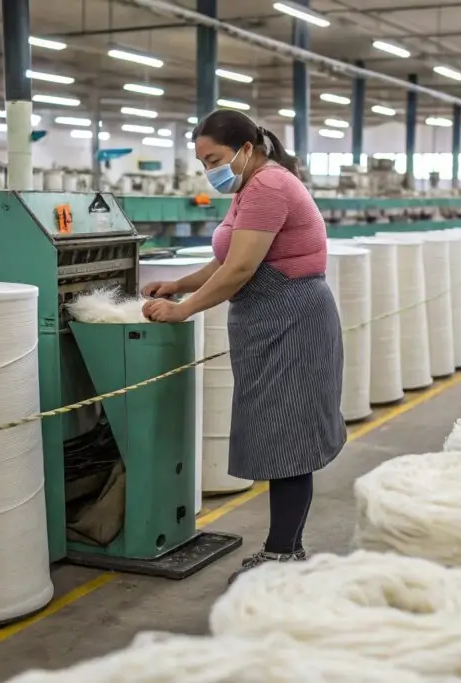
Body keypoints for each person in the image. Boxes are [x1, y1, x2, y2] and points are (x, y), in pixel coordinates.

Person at [140, 109, 347, 583]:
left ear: (246, 149)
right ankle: (287, 549)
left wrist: (184, 309)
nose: (208, 170)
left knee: (289, 437)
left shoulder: (268, 187)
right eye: (202, 162)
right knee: (280, 433)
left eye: (213, 159)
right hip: (272, 321)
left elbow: (240, 270)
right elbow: (228, 259)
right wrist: (178, 284)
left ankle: (282, 554)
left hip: (292, 321)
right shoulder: (250, 187)